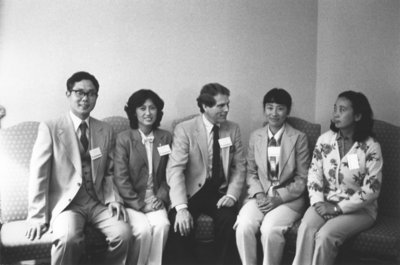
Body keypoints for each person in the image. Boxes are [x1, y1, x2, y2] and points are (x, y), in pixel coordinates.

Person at [25, 71, 132, 265]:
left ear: (96, 97)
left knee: (123, 233)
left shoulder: (105, 129)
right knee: (68, 239)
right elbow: (38, 175)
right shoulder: (50, 127)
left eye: (91, 94)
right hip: (67, 204)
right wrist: (37, 216)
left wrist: (113, 199)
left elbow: (109, 171)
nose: (85, 98)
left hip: (98, 201)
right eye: (79, 92)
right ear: (68, 94)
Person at [292, 91, 383, 265]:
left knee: (326, 235)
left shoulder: (371, 146)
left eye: (342, 109)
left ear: (357, 115)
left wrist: (337, 209)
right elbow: (314, 174)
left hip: (360, 210)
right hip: (324, 202)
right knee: (306, 227)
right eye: (335, 108)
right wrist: (318, 202)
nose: (335, 114)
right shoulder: (324, 140)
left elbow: (372, 189)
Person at [164, 83, 246, 265]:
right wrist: (181, 208)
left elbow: (239, 167)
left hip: (220, 192)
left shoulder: (232, 129)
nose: (227, 109)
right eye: (221, 106)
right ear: (205, 106)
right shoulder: (184, 129)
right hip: (192, 191)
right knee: (179, 225)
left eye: (227, 104)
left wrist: (232, 195)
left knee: (229, 221)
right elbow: (175, 169)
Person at [235, 88, 310, 265]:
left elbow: (302, 178)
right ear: (264, 110)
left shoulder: (299, 138)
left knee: (269, 229)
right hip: (259, 196)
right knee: (244, 225)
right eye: (269, 108)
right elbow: (251, 172)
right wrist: (259, 194)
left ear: (288, 111)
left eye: (280, 108)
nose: (274, 113)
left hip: (288, 199)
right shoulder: (256, 136)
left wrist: (279, 198)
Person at [114, 89, 172, 265]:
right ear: (134, 112)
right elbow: (120, 179)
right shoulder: (124, 139)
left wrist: (161, 196)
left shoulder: (166, 137)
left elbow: (171, 172)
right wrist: (140, 204)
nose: (148, 113)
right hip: (132, 201)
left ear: (158, 111)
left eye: (152, 108)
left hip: (155, 199)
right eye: (142, 108)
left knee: (163, 225)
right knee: (143, 231)